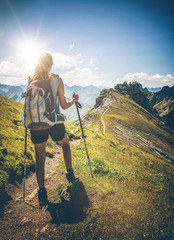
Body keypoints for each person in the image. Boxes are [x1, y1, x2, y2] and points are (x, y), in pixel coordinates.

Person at [29, 52, 79, 207]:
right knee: (65, 144)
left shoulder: (31, 79)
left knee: (39, 157)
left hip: (35, 124)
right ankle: (70, 174)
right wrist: (74, 100)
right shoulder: (57, 79)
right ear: (51, 64)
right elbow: (64, 105)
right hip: (53, 122)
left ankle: (42, 192)